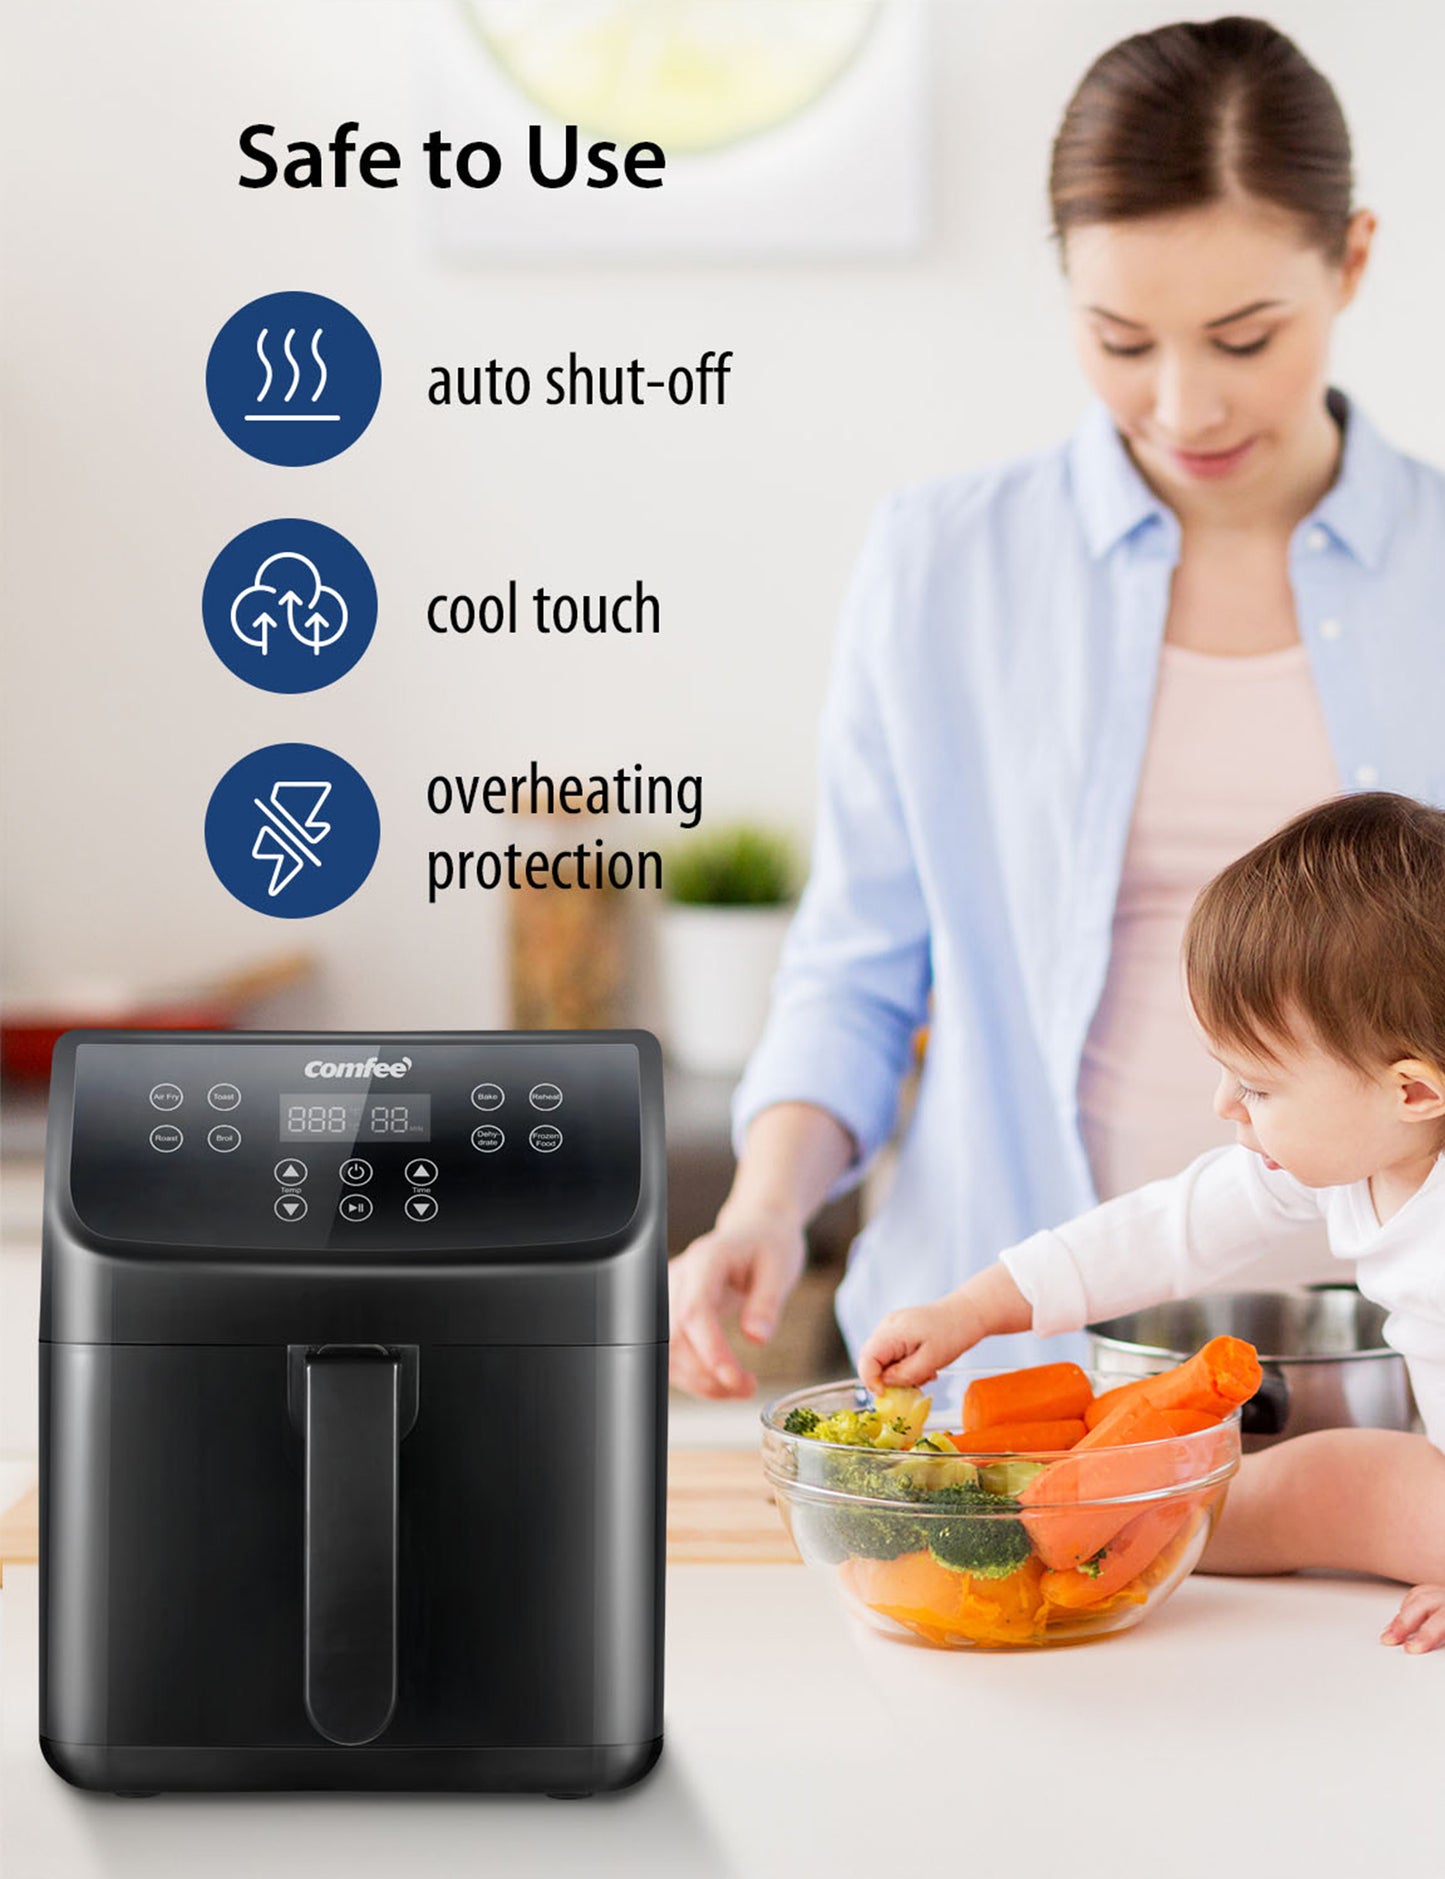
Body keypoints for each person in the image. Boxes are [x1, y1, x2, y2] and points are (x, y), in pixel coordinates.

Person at [669, 16, 1445, 1401]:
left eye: (1243, 335)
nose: (1181, 401)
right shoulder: (942, 564)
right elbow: (857, 963)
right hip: (1023, 1358)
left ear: (1355, 261)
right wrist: (765, 1203)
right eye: (1119, 337)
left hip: (1401, 1369)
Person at [858, 792, 1445, 1654]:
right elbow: (1166, 1228)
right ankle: (1082, 1539)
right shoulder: (1351, 1161)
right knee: (1292, 1486)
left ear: (1412, 1091)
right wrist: (972, 1309)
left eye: (1257, 1086)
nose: (1225, 1107)